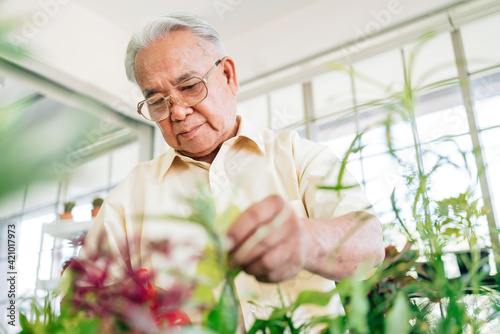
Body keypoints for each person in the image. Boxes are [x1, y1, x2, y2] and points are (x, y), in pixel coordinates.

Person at [74, 12, 384, 331]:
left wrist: (305, 240)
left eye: (190, 86)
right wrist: (134, 311)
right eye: (157, 102)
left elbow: (369, 243)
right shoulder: (130, 195)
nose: (177, 112)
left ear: (228, 76)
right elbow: (79, 301)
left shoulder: (296, 155)